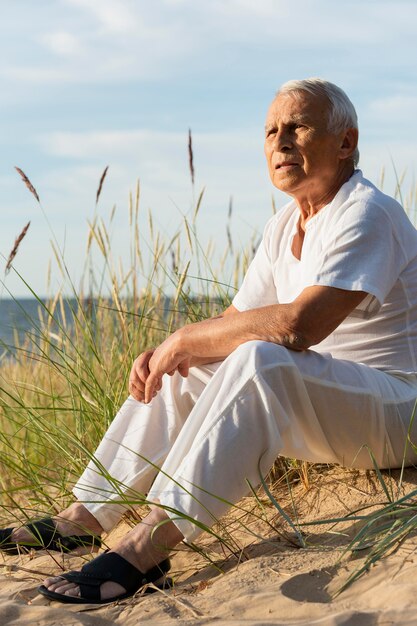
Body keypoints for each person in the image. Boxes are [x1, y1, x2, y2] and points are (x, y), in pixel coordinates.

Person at [3, 77, 417, 604]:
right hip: (334, 409)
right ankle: (83, 517)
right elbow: (233, 324)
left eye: (298, 126)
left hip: (400, 413)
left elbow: (299, 326)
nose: (280, 141)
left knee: (258, 357)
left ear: (345, 142)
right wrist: (174, 350)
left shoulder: (367, 212)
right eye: (270, 131)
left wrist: (184, 337)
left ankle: (145, 545)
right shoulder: (283, 225)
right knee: (191, 363)